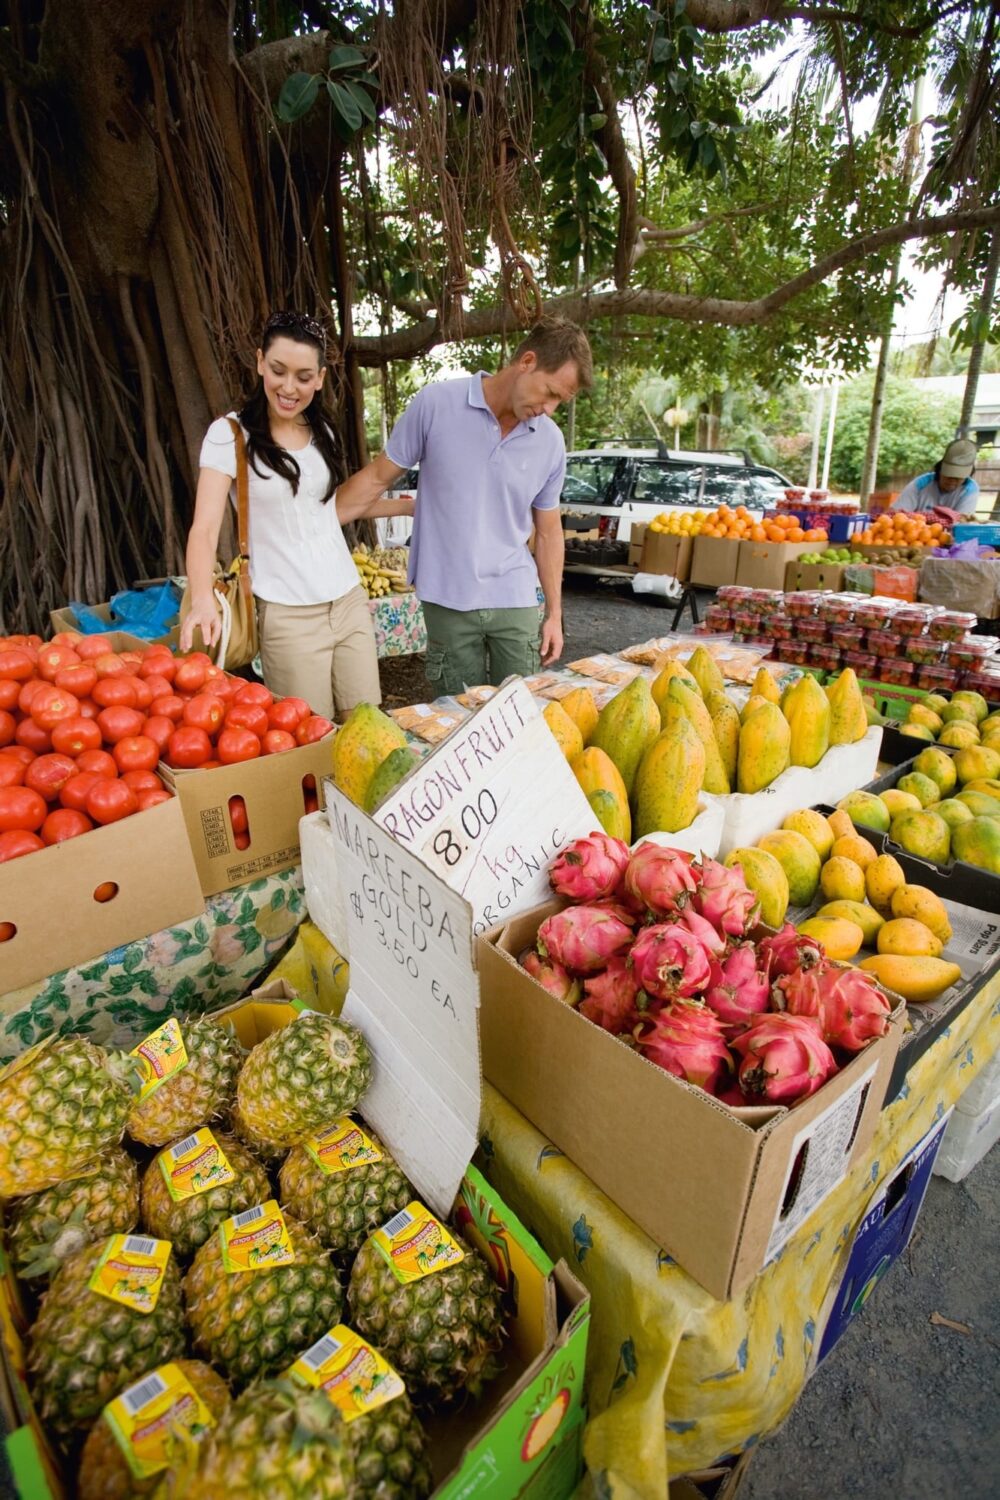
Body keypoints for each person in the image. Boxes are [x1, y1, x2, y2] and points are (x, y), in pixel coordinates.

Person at [335, 317, 593, 695]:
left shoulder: (551, 442)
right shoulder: (436, 404)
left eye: (560, 401)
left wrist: (555, 614)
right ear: (527, 362)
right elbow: (376, 478)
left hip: (516, 601)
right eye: (550, 393)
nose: (550, 409)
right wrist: (315, 519)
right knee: (455, 724)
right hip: (447, 600)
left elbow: (550, 532)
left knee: (521, 719)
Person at [179, 310, 412, 720]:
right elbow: (205, 528)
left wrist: (409, 506)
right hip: (287, 614)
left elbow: (327, 510)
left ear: (320, 378)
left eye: (304, 377)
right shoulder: (230, 435)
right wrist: (201, 599)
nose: (289, 387)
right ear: (259, 363)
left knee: (369, 724)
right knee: (310, 736)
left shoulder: (324, 431)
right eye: (278, 371)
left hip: (347, 599)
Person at [891, 438, 979, 522]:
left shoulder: (970, 489)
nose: (952, 480)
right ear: (939, 470)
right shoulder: (920, 484)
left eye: (958, 478)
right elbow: (896, 514)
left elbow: (962, 523)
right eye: (948, 476)